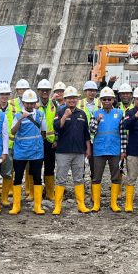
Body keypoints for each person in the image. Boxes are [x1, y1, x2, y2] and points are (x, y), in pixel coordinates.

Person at [52, 86, 91, 214]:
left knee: (79, 178)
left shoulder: (82, 114)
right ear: (65, 99)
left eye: (74, 98)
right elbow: (57, 127)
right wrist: (64, 116)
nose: (72, 100)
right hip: (63, 151)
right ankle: (58, 206)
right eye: (69, 98)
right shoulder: (60, 111)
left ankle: (81, 205)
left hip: (79, 152)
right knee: (61, 178)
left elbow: (86, 133)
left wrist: (88, 149)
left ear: (77, 99)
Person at [10, 89, 47, 214]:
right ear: (23, 103)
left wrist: (38, 143)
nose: (30, 105)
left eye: (32, 103)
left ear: (36, 102)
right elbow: (13, 132)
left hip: (36, 152)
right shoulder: (17, 115)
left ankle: (37, 206)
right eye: (27, 103)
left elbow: (43, 132)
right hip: (21, 152)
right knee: (18, 177)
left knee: (37, 177)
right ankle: (16, 205)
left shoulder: (41, 114)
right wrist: (21, 119)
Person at [90, 87, 124, 212]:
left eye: (109, 99)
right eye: (104, 99)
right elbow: (91, 131)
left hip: (114, 150)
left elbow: (122, 134)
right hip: (99, 150)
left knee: (115, 177)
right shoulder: (96, 113)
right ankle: (96, 203)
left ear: (113, 100)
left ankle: (113, 203)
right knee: (96, 177)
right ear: (101, 101)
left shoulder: (119, 113)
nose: (106, 101)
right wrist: (97, 121)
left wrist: (123, 150)